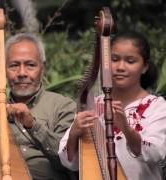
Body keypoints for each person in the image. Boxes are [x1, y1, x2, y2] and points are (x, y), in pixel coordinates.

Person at [0, 33, 76, 180]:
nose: (22, 73)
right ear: (3, 70)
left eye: (30, 65)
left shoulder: (63, 107)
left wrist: (33, 126)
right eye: (14, 65)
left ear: (43, 67)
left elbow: (69, 163)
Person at [58, 31, 166, 180]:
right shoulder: (93, 106)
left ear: (145, 66)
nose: (120, 67)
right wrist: (74, 133)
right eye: (114, 59)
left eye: (130, 61)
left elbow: (156, 154)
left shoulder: (157, 107)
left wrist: (126, 129)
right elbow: (69, 162)